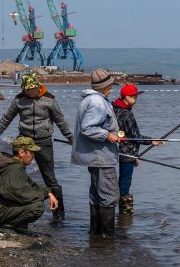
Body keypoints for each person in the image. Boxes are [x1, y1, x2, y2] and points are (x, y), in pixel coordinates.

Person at [0, 73, 73, 221]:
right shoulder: (19, 100)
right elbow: (7, 118)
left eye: (34, 88)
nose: (32, 92)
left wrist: (70, 137)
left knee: (50, 179)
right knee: (16, 174)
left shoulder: (49, 99)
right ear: (24, 88)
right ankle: (15, 207)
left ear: (39, 86)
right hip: (24, 142)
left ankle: (59, 214)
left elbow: (60, 120)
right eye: (29, 89)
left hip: (44, 142)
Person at [71, 68, 120, 237]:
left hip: (95, 156)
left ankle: (96, 235)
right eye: (110, 85)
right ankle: (107, 237)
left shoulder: (89, 100)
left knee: (96, 194)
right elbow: (88, 128)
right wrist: (108, 135)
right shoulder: (97, 102)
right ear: (105, 86)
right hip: (101, 156)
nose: (112, 88)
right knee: (109, 194)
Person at [0, 136, 58, 232]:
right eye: (31, 153)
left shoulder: (16, 165)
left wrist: (48, 193)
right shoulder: (14, 168)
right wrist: (42, 195)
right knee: (38, 206)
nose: (33, 156)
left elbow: (31, 184)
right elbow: (19, 193)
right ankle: (7, 226)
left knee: (34, 200)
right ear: (22, 152)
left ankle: (15, 225)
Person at [112, 84, 162, 215]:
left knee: (120, 182)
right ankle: (125, 214)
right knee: (125, 184)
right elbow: (134, 137)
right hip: (125, 153)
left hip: (117, 151)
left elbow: (127, 135)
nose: (137, 99)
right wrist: (152, 141)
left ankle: (121, 218)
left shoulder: (115, 108)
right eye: (135, 97)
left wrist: (134, 155)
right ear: (127, 97)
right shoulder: (125, 114)